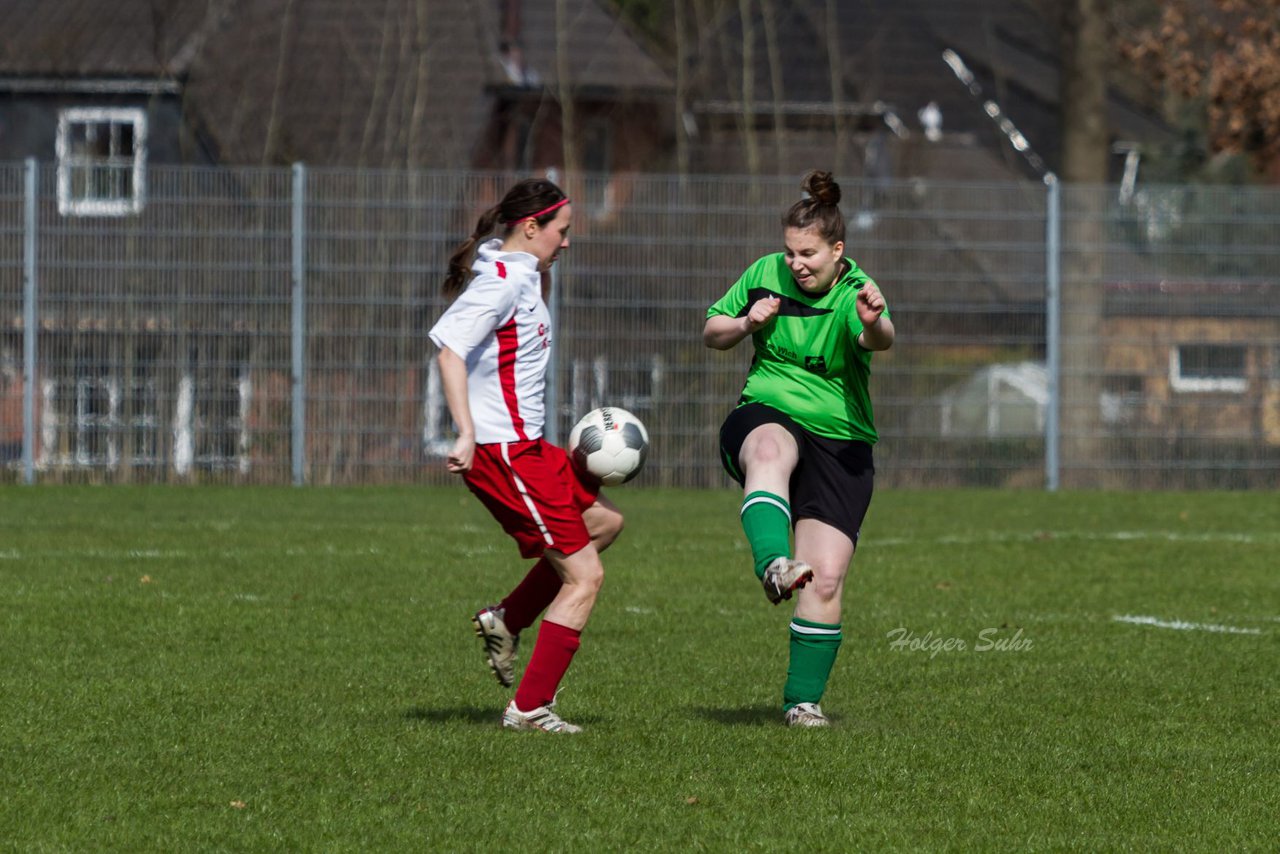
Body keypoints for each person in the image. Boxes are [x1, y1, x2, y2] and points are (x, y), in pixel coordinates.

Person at [429, 178, 624, 734]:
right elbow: (448, 350)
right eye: (561, 233)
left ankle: (507, 619)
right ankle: (530, 708)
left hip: (530, 448)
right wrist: (464, 432)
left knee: (604, 522)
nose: (567, 244)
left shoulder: (522, 273)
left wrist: (542, 271)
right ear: (531, 227)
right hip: (504, 453)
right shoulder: (500, 283)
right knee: (584, 577)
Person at [703, 170, 894, 728]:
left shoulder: (859, 291)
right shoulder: (764, 274)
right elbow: (712, 331)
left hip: (842, 440)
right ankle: (772, 564)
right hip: (768, 411)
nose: (796, 264)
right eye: (790, 253)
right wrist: (743, 322)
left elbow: (877, 340)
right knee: (767, 451)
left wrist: (872, 322)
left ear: (838, 251)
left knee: (827, 577)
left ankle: (802, 705)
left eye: (807, 254)